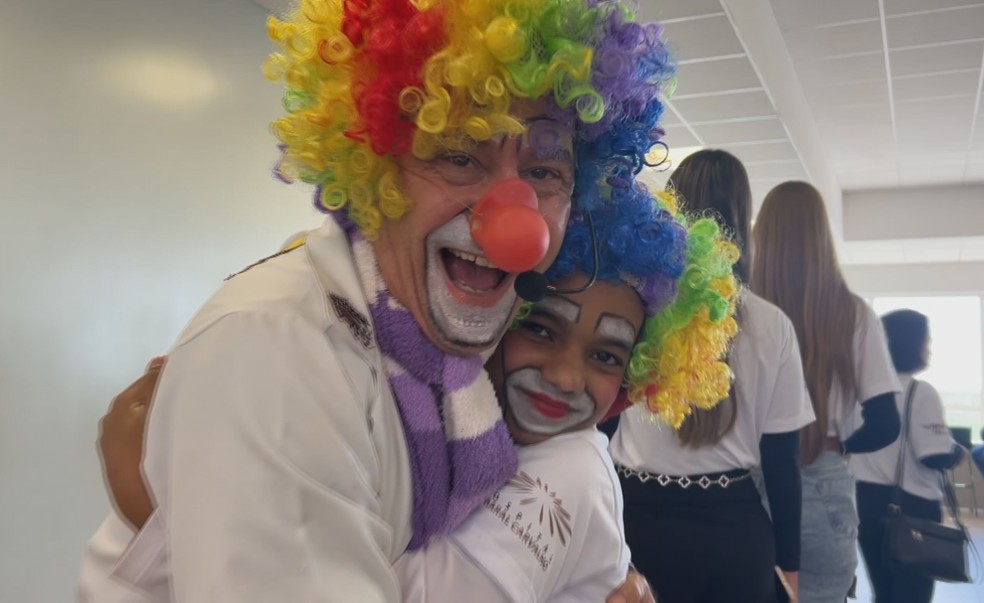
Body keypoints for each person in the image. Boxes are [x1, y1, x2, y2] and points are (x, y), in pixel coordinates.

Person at [76, 2, 689, 599]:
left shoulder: (447, 359)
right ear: (375, 164)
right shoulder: (284, 348)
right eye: (457, 156)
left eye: (545, 173)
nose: (513, 223)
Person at [92, 192, 740, 601]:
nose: (567, 377)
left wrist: (165, 512)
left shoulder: (571, 468)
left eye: (606, 356)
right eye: (541, 329)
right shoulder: (449, 415)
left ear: (637, 375)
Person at [607, 149, 815, 603]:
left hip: (635, 525)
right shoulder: (773, 323)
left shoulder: (634, 305)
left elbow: (599, 422)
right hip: (734, 533)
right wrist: (791, 565)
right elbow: (783, 463)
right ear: (743, 223)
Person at [750, 181, 902, 603]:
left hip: (747, 481)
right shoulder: (854, 314)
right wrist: (839, 445)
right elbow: (886, 423)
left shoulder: (743, 315)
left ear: (762, 235)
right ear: (822, 236)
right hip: (823, 477)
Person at [851, 309, 965, 603]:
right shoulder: (919, 391)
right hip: (911, 507)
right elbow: (933, 454)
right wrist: (957, 452)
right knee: (912, 594)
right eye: (927, 339)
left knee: (883, 591)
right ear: (911, 343)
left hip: (864, 501)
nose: (930, 347)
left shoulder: (861, 391)